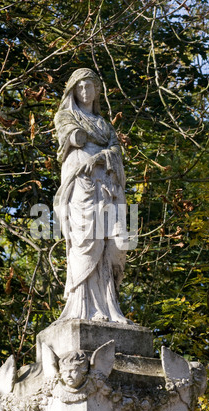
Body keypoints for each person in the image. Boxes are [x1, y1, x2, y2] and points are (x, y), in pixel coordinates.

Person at [54, 68, 129, 323]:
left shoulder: (105, 125)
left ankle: (109, 308)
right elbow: (72, 137)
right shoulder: (66, 116)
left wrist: (101, 156)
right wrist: (82, 141)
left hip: (107, 186)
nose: (85, 92)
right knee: (87, 240)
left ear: (97, 91)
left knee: (114, 243)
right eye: (81, 87)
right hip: (81, 185)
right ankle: (83, 309)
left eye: (90, 87)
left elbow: (116, 151)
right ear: (73, 91)